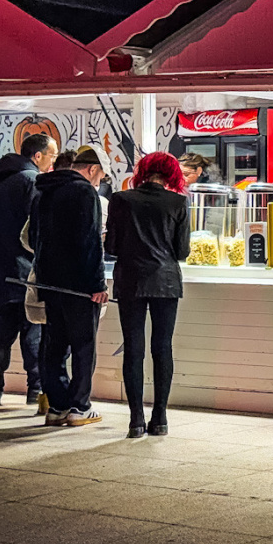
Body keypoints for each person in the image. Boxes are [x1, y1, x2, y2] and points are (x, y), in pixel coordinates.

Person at [106, 153, 188, 438]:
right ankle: (160, 417)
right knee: (162, 347)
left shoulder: (121, 199)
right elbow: (182, 251)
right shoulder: (178, 203)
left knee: (133, 348)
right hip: (166, 281)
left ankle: (136, 420)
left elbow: (111, 247)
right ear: (171, 174)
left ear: (142, 171)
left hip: (130, 279)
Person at [28, 144, 109, 428]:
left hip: (49, 281)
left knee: (54, 345)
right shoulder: (85, 192)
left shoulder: (44, 190)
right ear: (92, 169)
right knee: (84, 347)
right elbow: (91, 242)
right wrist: (98, 284)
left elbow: (33, 237)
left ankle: (57, 405)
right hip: (79, 285)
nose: (99, 182)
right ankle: (80, 406)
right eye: (100, 177)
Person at [0, 133, 54, 407]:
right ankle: (36, 390)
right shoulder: (32, 181)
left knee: (1, 333)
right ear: (38, 156)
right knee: (32, 333)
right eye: (52, 156)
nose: (53, 162)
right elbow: (37, 229)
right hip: (25, 270)